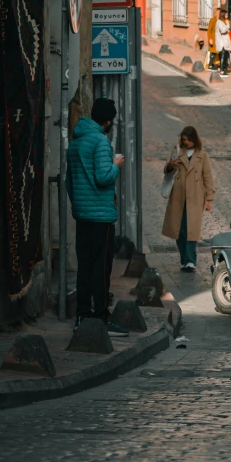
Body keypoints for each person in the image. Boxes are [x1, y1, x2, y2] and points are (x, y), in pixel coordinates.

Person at [66, 98, 129, 336]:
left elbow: (69, 182)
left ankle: (82, 316)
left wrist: (79, 204)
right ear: (108, 120)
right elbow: (103, 177)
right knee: (101, 269)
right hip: (100, 217)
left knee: (84, 267)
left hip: (82, 215)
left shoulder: (76, 141)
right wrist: (116, 165)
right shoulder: (101, 141)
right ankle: (101, 316)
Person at [162, 126, 215, 271]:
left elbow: (207, 176)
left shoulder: (202, 155)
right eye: (184, 139)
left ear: (194, 139)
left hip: (195, 197)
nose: (186, 142)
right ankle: (184, 260)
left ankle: (190, 260)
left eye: (189, 140)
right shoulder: (177, 151)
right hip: (178, 196)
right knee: (179, 230)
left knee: (192, 230)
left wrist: (209, 198)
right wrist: (171, 166)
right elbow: (166, 170)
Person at [215, 9, 231, 78]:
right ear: (223, 15)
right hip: (221, 42)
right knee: (222, 56)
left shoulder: (222, 22)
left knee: (224, 56)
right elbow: (223, 30)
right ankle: (221, 71)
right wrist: (228, 25)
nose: (227, 16)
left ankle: (221, 68)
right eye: (226, 14)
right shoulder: (219, 22)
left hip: (223, 42)